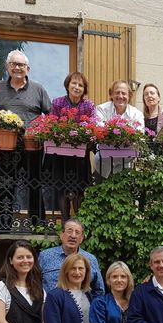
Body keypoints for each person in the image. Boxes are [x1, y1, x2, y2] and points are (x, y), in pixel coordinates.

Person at [0, 50, 52, 227]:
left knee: (34, 183)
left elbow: (49, 114)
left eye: (21, 65)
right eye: (14, 64)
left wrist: (39, 129)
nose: (17, 68)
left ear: (28, 69)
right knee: (5, 184)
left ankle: (37, 224)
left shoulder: (38, 89)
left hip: (32, 144)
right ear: (7, 67)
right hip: (6, 146)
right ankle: (4, 224)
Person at [49, 72, 95, 221]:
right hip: (61, 154)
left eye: (80, 85)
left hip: (80, 155)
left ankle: (78, 221)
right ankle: (64, 220)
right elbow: (51, 124)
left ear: (84, 89)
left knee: (79, 189)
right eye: (74, 83)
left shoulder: (88, 105)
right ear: (67, 85)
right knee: (61, 188)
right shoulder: (58, 102)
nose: (77, 87)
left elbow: (92, 126)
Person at [0, 241, 45, 323]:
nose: (25, 261)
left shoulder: (40, 288)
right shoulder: (1, 287)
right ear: (11, 260)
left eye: (29, 257)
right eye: (20, 257)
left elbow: (45, 319)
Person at [38, 218, 105, 295]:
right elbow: (35, 283)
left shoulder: (90, 259)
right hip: (51, 305)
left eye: (77, 232)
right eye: (69, 231)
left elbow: (99, 290)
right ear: (61, 235)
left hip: (82, 305)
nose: (73, 236)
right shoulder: (45, 256)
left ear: (82, 238)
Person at [94, 80, 145, 177]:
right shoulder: (101, 109)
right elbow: (99, 130)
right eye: (117, 92)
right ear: (111, 95)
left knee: (123, 188)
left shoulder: (136, 114)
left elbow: (140, 136)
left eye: (124, 93)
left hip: (126, 159)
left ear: (129, 96)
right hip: (104, 160)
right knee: (102, 186)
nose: (120, 96)